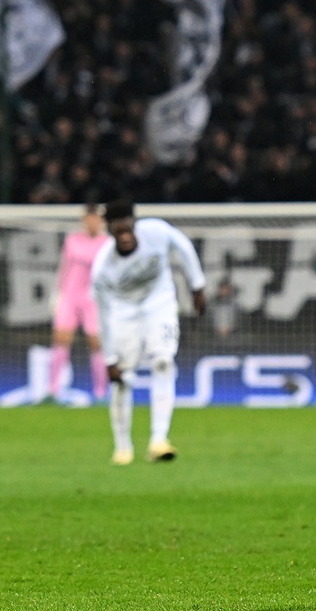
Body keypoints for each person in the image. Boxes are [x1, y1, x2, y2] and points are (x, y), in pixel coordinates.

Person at [90, 199, 207, 465]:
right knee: (123, 378)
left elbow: (184, 247)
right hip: (124, 314)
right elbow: (103, 315)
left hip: (160, 304)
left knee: (164, 361)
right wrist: (108, 359)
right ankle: (122, 446)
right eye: (118, 231)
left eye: (128, 228)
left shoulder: (156, 231)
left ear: (135, 224)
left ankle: (159, 440)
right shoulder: (103, 269)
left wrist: (197, 286)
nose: (125, 235)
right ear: (110, 231)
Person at [46, 203, 109, 403]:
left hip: (93, 299)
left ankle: (101, 392)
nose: (91, 221)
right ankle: (53, 390)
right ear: (84, 219)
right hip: (70, 296)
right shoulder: (73, 240)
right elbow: (65, 267)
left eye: (95, 217)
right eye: (88, 217)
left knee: (96, 343)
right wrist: (57, 294)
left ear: (100, 220)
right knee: (61, 339)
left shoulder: (107, 242)